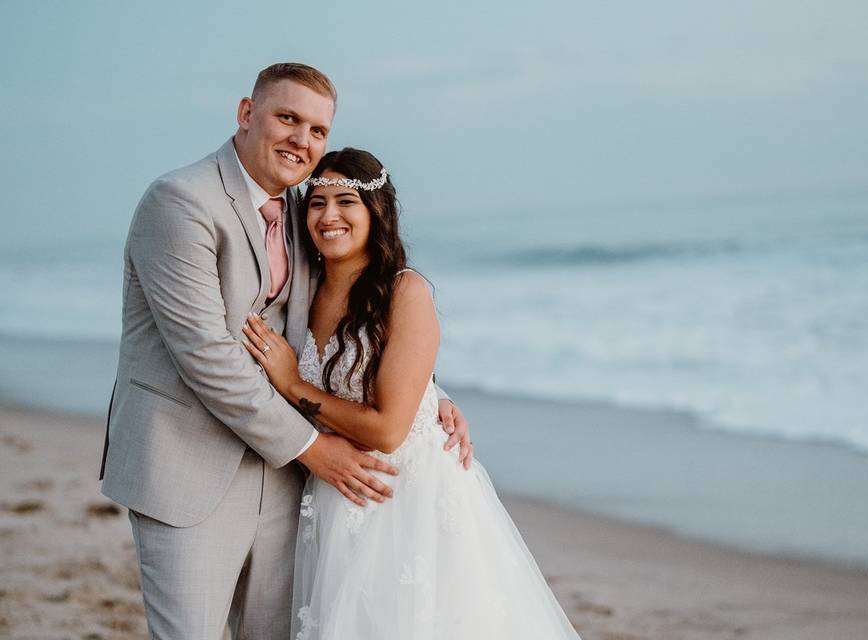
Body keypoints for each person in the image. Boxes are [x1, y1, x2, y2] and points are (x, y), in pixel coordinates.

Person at [99, 63, 472, 639]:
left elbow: (352, 329)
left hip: (283, 487)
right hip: (189, 472)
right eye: (287, 118)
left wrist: (429, 399)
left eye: (317, 130)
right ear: (247, 114)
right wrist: (315, 449)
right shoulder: (180, 202)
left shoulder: (304, 216)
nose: (302, 139)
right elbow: (208, 357)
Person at [243, 147, 582, 639]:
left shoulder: (405, 291)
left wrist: (293, 383)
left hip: (408, 501)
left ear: (375, 213)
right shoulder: (304, 290)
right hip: (335, 493)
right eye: (316, 203)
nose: (329, 216)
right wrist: (434, 391)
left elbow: (388, 429)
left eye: (346, 202)